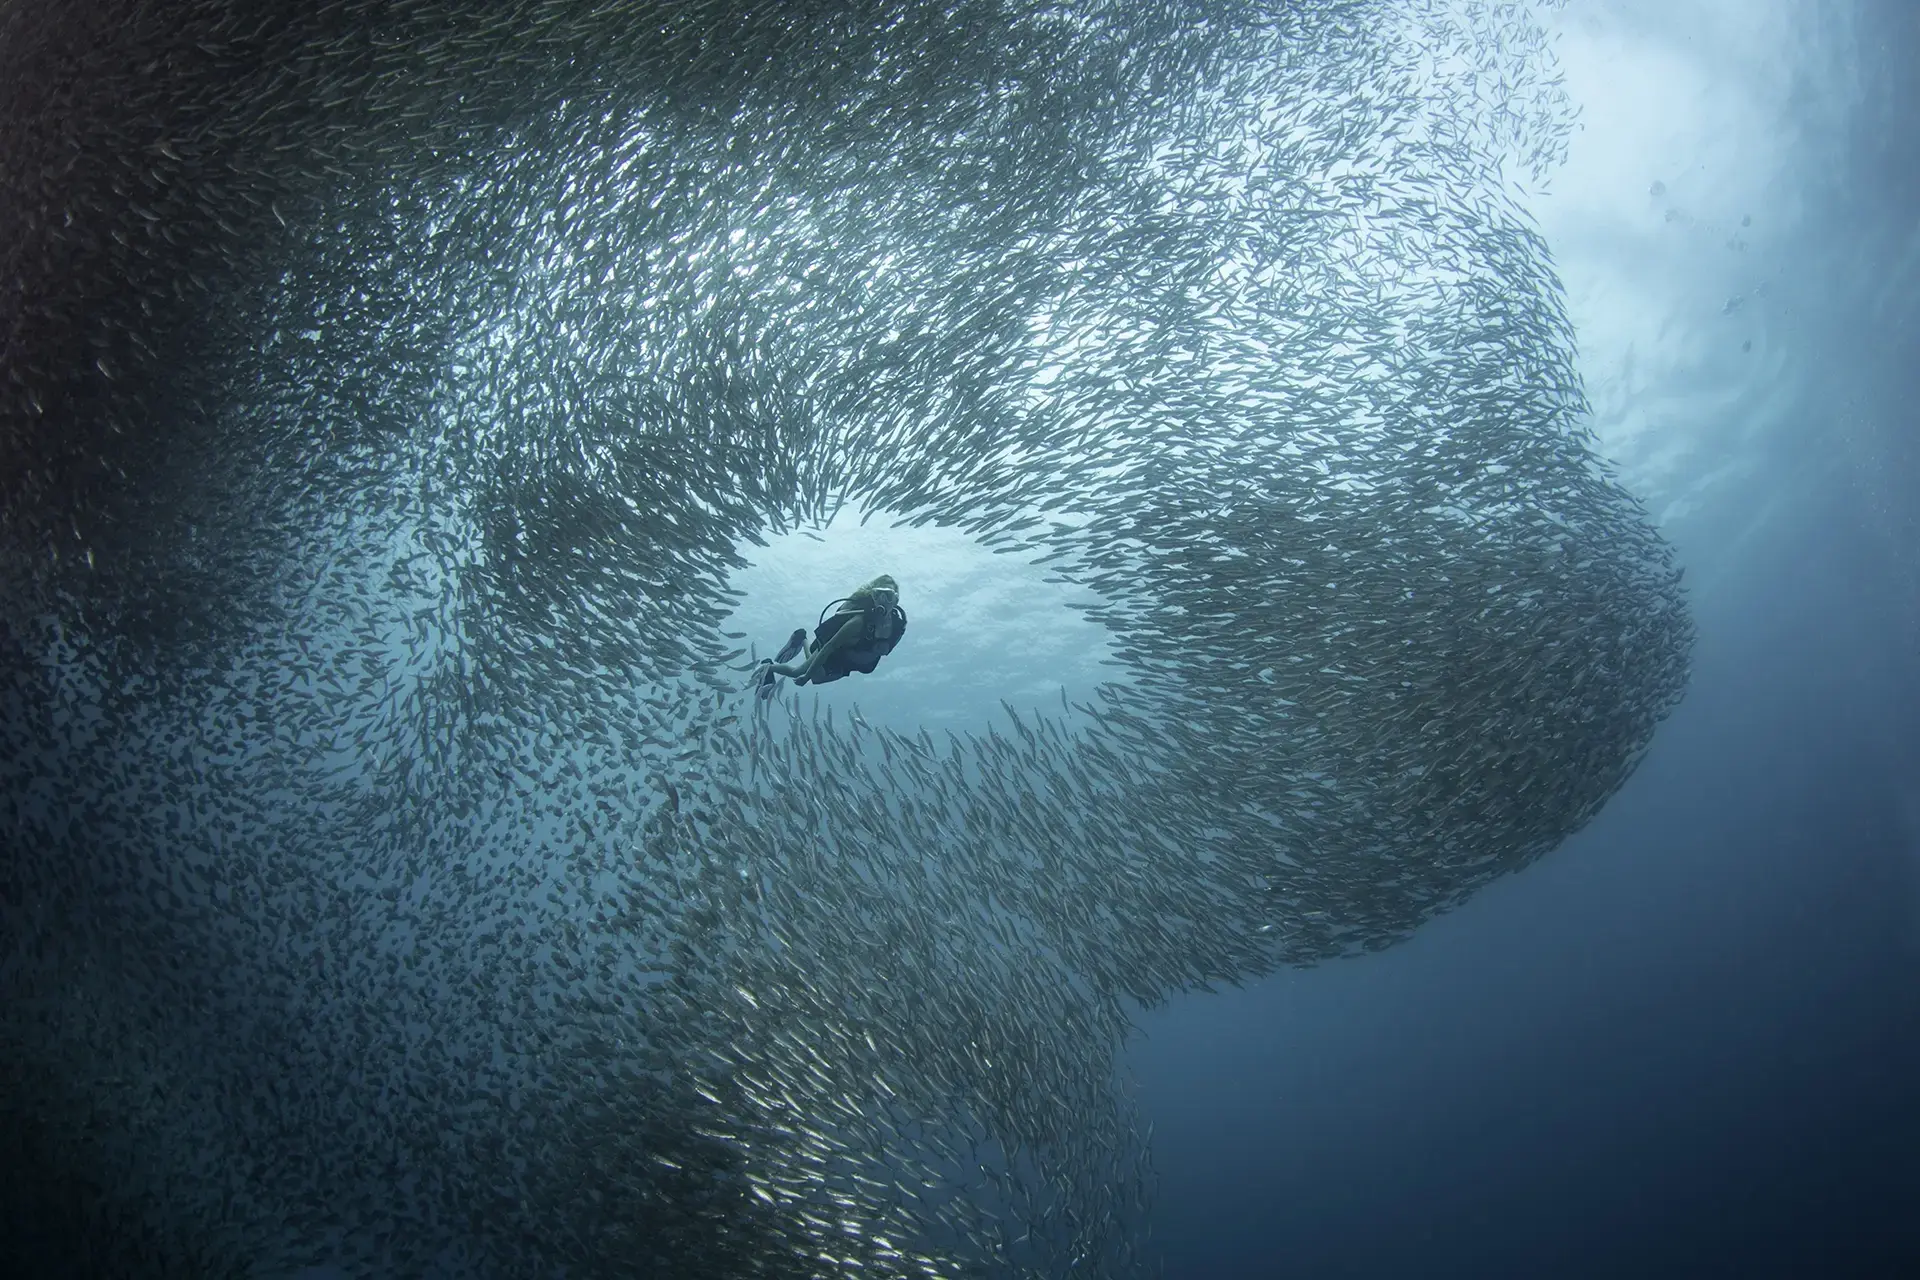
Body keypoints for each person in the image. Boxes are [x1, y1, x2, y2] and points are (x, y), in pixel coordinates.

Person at [755, 574, 906, 699]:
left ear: (896, 599)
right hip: (834, 651)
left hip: (851, 659)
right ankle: (768, 667)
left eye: (889, 596)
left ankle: (802, 638)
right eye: (879, 594)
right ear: (872, 596)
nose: (883, 600)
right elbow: (829, 647)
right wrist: (806, 677)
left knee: (818, 678)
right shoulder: (859, 622)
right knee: (799, 672)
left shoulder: (898, 626)